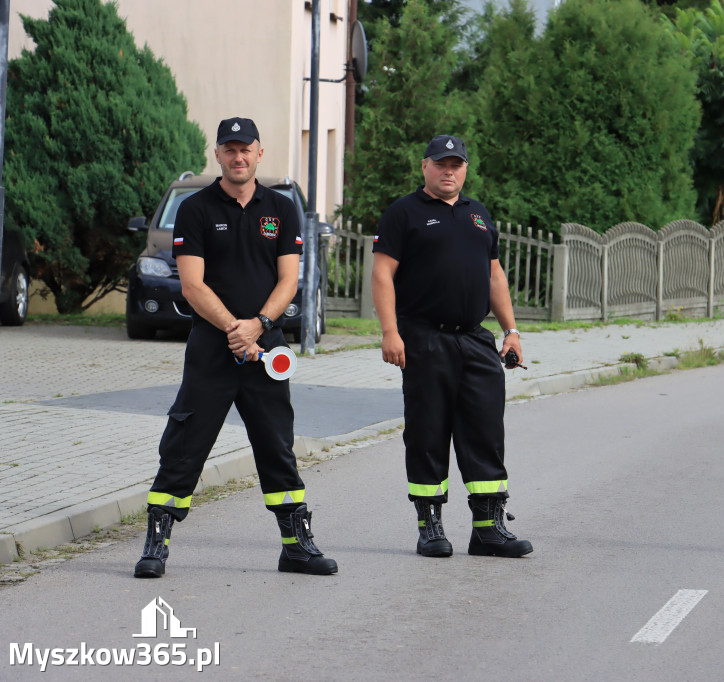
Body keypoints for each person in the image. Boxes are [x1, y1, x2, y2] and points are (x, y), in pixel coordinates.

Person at [134, 117, 337, 578]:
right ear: (218, 154)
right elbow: (191, 284)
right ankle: (156, 546)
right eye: (230, 149)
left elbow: (290, 280)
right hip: (212, 346)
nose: (238, 156)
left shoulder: (282, 209)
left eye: (246, 149)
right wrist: (234, 329)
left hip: (266, 350)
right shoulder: (196, 209)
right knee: (184, 444)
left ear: (259, 153)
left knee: (276, 445)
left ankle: (296, 547)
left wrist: (259, 325)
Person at [370, 134, 533, 559]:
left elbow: (495, 276)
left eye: (456, 164)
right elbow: (383, 274)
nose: (449, 170)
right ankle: (430, 526)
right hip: (424, 338)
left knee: (485, 432)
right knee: (427, 433)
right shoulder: (403, 213)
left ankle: (488, 529)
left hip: (475, 339)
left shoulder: (478, 214)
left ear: (465, 169)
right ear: (424, 166)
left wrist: (511, 331)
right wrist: (390, 331)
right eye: (441, 163)